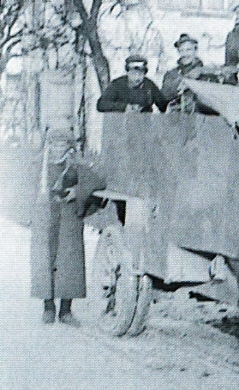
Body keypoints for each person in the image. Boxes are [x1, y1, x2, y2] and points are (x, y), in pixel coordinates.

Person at [31, 135, 106, 326]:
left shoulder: (76, 164)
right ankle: (48, 308)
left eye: (62, 143)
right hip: (45, 215)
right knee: (44, 260)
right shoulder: (39, 163)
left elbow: (98, 182)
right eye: (54, 143)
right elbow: (22, 186)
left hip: (68, 217)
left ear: (68, 146)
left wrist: (78, 192)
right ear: (48, 144)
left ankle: (66, 311)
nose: (58, 148)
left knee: (69, 262)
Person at [161, 34, 218, 114]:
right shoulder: (171, 74)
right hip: (177, 119)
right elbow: (163, 99)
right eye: (182, 50)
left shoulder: (207, 73)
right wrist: (181, 85)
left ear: (195, 50)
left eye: (188, 50)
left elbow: (216, 101)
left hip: (201, 118)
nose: (185, 54)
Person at [97, 54, 168, 113]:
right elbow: (101, 104)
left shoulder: (149, 85)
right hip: (120, 125)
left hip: (144, 125)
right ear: (128, 72)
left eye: (140, 73)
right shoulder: (117, 85)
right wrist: (124, 107)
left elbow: (163, 105)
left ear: (144, 74)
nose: (137, 77)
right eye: (133, 73)